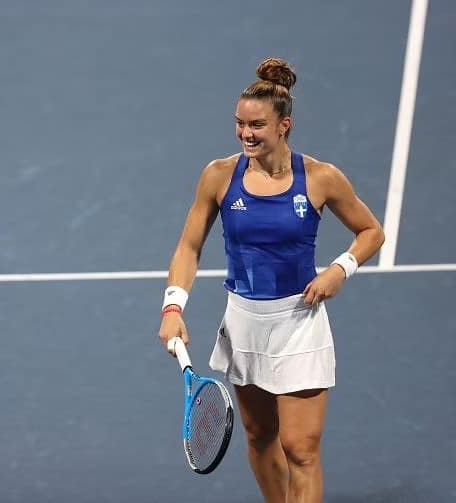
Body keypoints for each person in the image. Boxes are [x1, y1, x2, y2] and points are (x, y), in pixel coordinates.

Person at [157, 58, 384, 502]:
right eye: (239, 124)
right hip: (244, 322)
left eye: (257, 125)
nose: (246, 134)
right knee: (260, 437)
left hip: (299, 323)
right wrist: (172, 306)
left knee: (301, 449)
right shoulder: (219, 176)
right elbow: (189, 247)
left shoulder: (320, 177)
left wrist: (341, 268)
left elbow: (371, 231)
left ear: (284, 125)